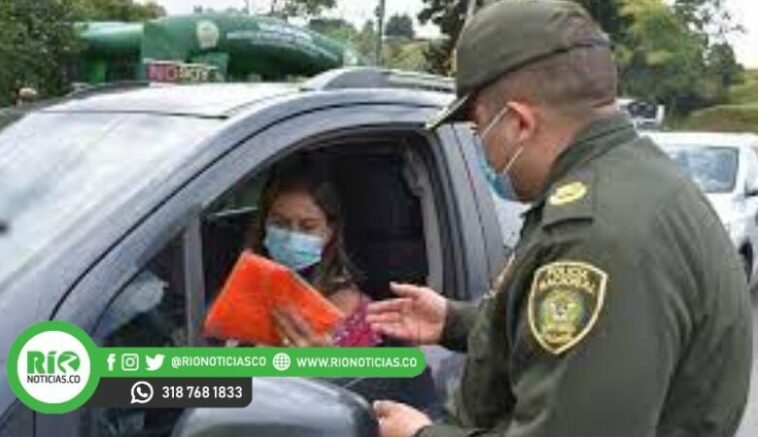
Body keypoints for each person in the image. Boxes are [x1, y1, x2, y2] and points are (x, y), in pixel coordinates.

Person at [367, 1, 753, 437]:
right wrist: (455, 322)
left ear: (518, 124)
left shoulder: (595, 236)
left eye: (478, 133)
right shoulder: (640, 183)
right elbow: (588, 348)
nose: (482, 151)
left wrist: (420, 435)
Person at [249, 162, 380, 347]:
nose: (290, 237)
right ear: (264, 223)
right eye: (280, 223)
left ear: (330, 231)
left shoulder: (351, 311)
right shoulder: (246, 287)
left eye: (307, 227)